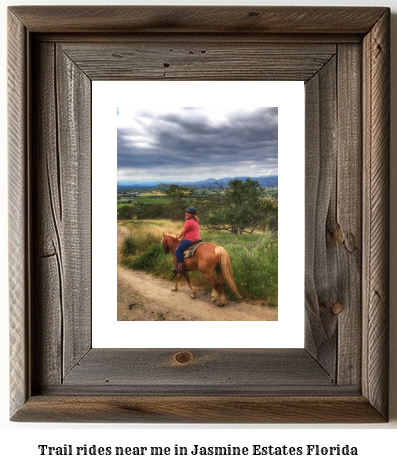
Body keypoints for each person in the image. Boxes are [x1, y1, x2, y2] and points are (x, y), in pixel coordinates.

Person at [174, 206, 201, 273]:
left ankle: (180, 267)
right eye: (186, 212)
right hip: (197, 239)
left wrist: (178, 236)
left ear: (192, 214)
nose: (187, 214)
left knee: (178, 251)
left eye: (189, 213)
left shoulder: (188, 222)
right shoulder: (195, 220)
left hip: (189, 239)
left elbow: (183, 232)